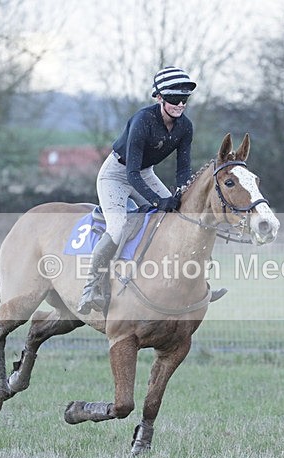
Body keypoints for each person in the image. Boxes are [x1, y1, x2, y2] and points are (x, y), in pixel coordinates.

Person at [77, 66, 197, 315]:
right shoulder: (143, 120)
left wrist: (181, 194)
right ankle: (90, 288)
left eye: (184, 98)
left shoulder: (185, 127)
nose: (180, 104)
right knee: (118, 228)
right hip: (116, 175)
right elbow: (130, 173)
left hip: (145, 173)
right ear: (159, 97)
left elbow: (182, 171)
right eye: (174, 98)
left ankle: (189, 286)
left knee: (177, 219)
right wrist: (157, 201)